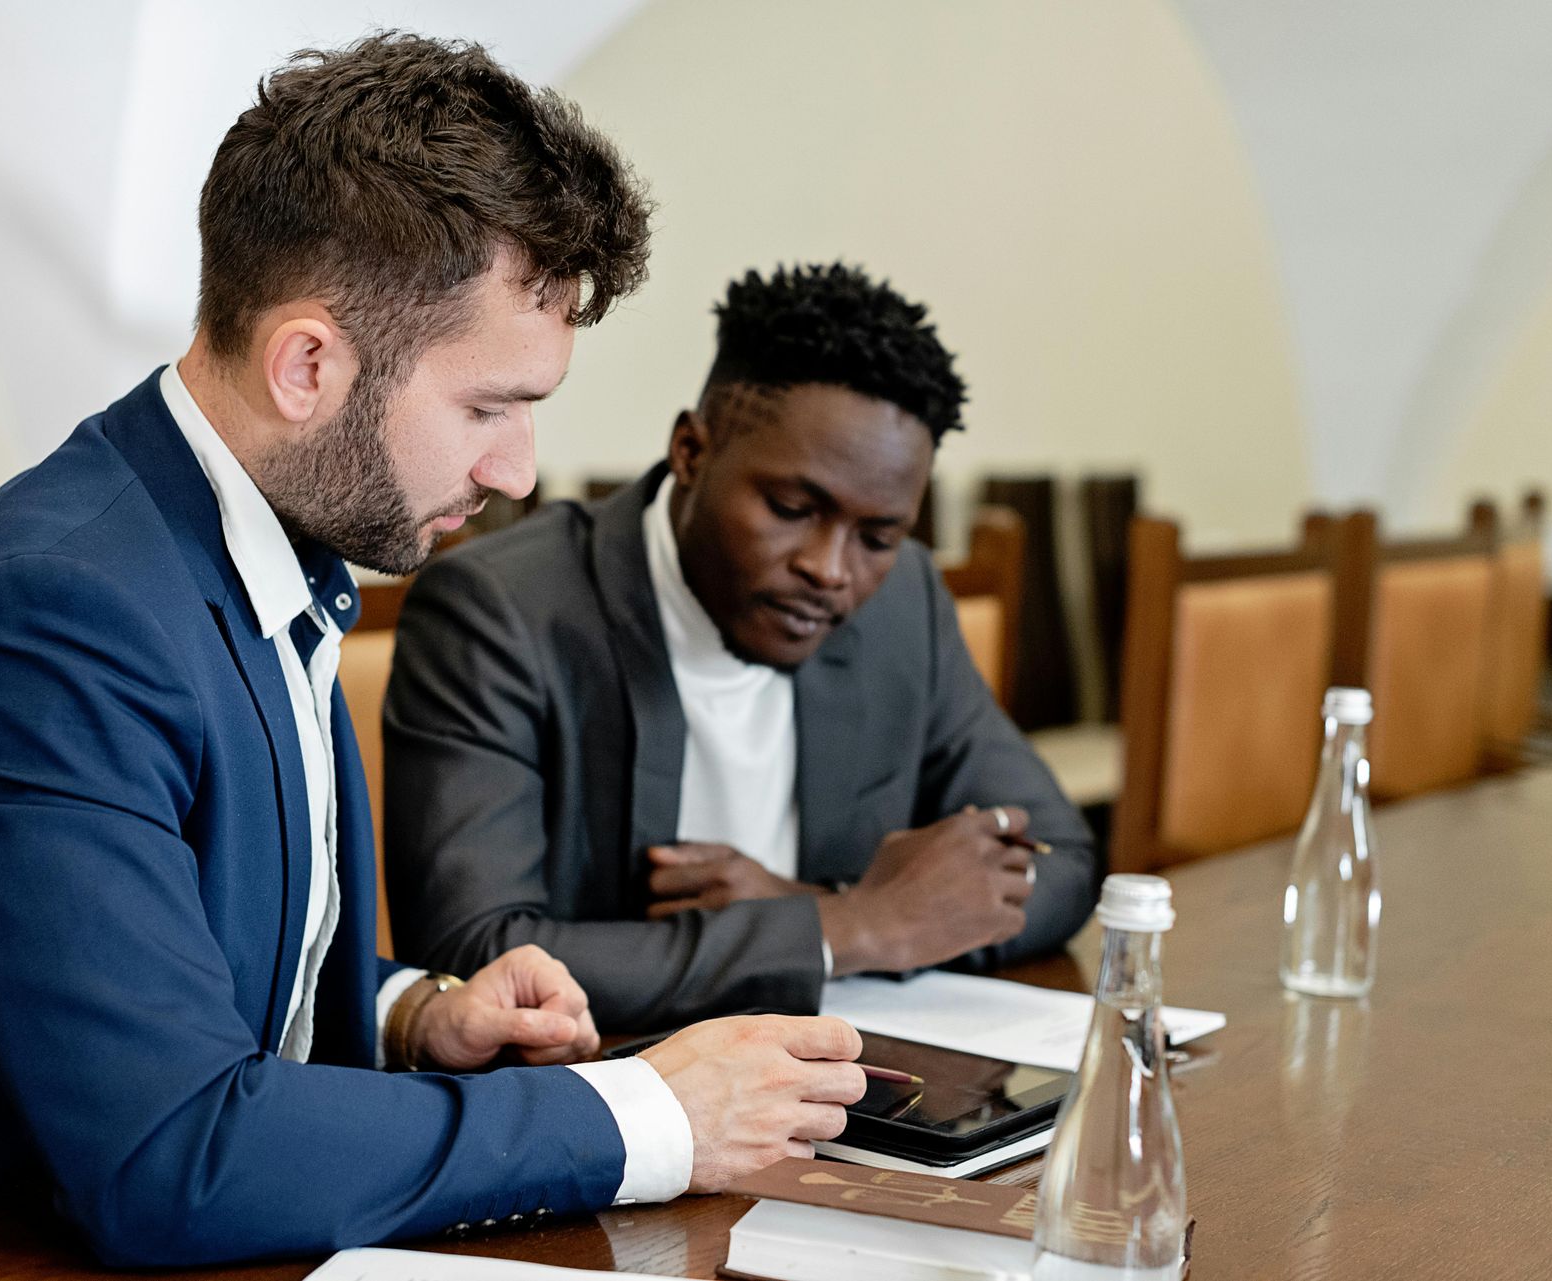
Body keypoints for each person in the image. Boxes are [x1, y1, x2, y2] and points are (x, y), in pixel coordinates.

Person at [0, 37, 865, 1267]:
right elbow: (173, 1156)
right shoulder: (55, 617)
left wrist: (413, 1012)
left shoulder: (267, 546)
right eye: (489, 407)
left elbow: (183, 957)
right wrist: (650, 1114)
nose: (516, 470)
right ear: (309, 363)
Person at [384, 263, 1096, 1033]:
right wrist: (850, 928)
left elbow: (1059, 858)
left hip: (849, 1094)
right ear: (692, 450)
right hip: (615, 1099)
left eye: (879, 536)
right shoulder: (500, 612)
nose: (830, 569)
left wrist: (808, 908)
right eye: (792, 508)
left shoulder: (903, 603)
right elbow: (472, 953)